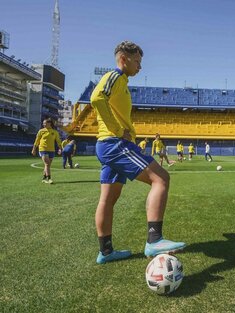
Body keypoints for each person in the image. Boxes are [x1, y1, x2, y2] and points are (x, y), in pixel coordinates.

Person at [90, 41, 185, 264]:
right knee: (161, 178)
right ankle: (154, 240)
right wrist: (117, 129)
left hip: (107, 144)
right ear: (124, 59)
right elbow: (96, 98)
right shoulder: (113, 77)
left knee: (108, 199)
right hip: (114, 143)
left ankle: (106, 252)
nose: (140, 67)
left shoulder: (122, 81)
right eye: (137, 62)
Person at [32, 118, 62, 183]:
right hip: (43, 149)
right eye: (43, 123)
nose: (43, 124)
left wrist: (60, 148)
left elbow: (58, 141)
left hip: (52, 150)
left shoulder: (55, 132)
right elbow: (37, 141)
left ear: (49, 123)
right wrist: (34, 149)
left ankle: (44, 178)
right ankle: (49, 178)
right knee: (47, 164)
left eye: (45, 123)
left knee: (47, 165)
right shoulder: (41, 131)